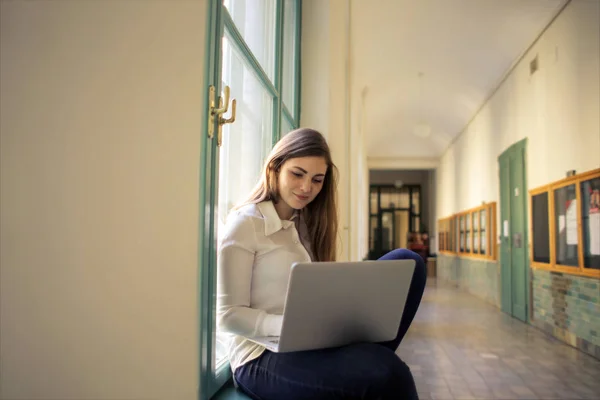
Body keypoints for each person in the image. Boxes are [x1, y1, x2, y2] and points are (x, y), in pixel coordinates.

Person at [217, 128, 427, 400]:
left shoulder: (306, 224)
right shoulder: (245, 223)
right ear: (275, 169)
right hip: (260, 357)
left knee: (410, 262)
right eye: (297, 174)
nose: (307, 188)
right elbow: (228, 316)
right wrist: (291, 327)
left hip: (312, 342)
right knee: (387, 371)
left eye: (317, 180)